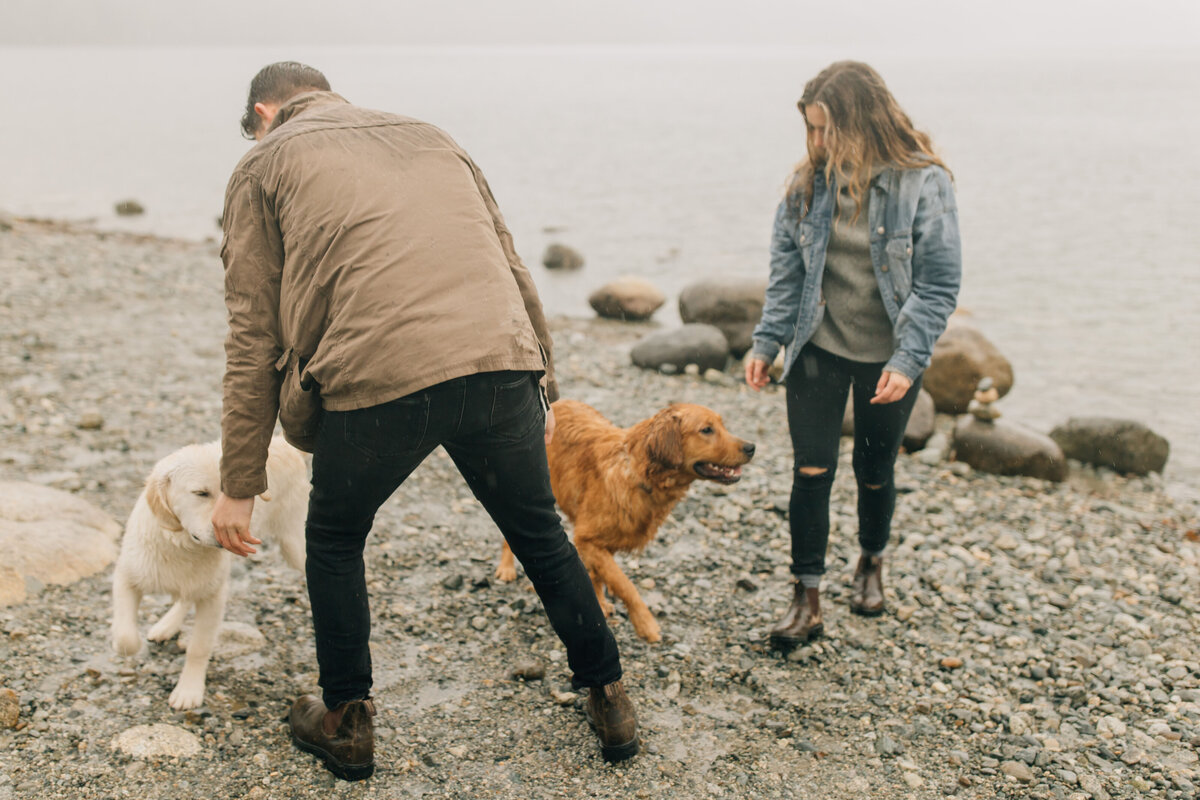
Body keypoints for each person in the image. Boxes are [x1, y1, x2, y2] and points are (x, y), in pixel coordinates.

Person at [209, 62, 638, 780]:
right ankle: (611, 698)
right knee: (538, 533)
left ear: (263, 112)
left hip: (379, 379)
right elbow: (510, 264)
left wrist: (238, 481)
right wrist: (544, 396)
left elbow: (252, 330)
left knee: (337, 537)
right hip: (496, 364)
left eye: (252, 129)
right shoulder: (432, 136)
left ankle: (347, 723)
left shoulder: (265, 162)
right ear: (327, 93)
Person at [745, 61, 961, 649]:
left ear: (861, 122)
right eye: (809, 130)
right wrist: (767, 341)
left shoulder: (924, 182)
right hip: (818, 347)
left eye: (826, 130)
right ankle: (806, 597)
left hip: (888, 357)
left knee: (873, 471)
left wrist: (908, 358)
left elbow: (939, 284)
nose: (816, 143)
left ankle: (870, 561)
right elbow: (786, 273)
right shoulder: (805, 186)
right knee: (810, 471)